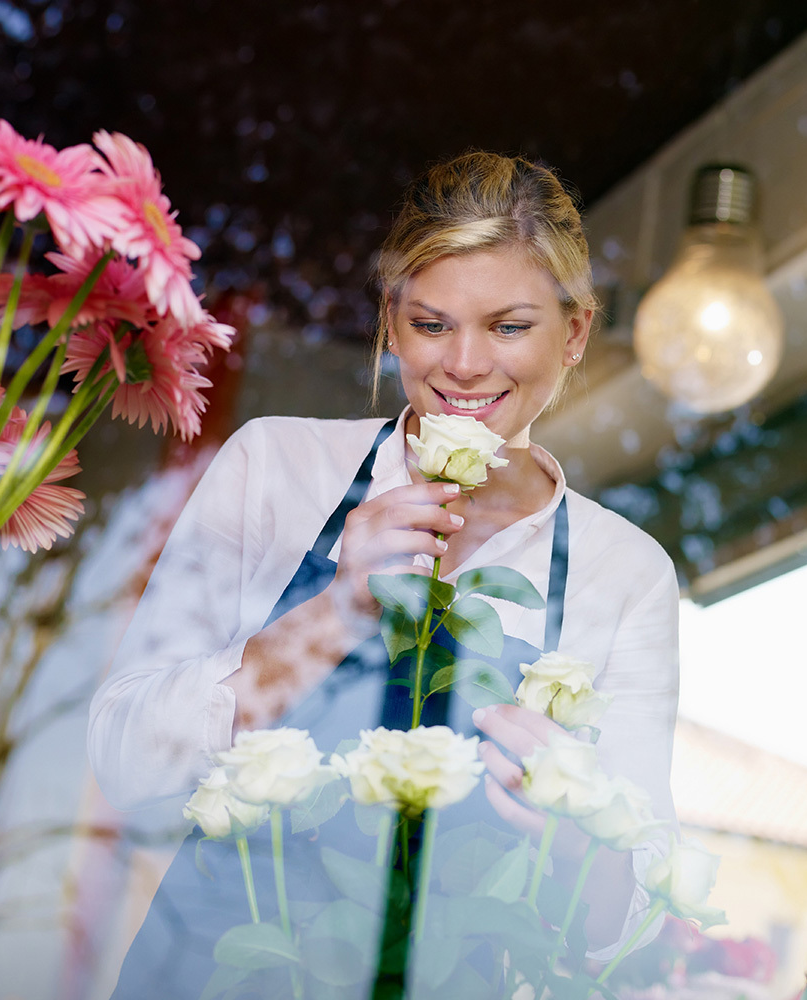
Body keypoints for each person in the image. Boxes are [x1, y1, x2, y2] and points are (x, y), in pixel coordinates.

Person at [88, 151, 680, 997]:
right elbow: (125, 762)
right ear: (391, 324)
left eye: (510, 327)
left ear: (576, 333)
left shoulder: (624, 574)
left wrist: (587, 842)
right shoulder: (275, 467)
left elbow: (632, 934)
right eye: (432, 325)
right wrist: (332, 614)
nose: (465, 364)